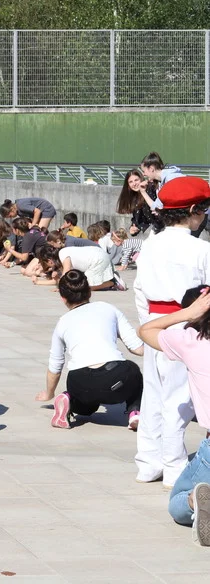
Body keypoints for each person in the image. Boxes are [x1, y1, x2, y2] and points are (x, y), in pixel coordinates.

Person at [133, 176, 210, 488]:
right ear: (193, 210)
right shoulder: (201, 248)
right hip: (188, 323)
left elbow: (139, 290)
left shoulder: (150, 243)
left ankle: (148, 462)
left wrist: (147, 328)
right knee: (178, 400)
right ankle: (174, 467)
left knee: (152, 394)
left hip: (154, 322)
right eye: (203, 209)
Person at [138, 287, 210, 543]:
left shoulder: (193, 341)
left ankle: (193, 502)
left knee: (177, 503)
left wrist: (187, 313)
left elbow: (145, 331)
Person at [35, 271, 144, 429]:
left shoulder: (62, 322)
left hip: (79, 381)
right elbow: (137, 348)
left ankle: (68, 399)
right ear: (89, 291)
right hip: (115, 377)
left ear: (63, 298)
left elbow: (55, 367)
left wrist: (49, 393)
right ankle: (135, 412)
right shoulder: (108, 308)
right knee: (133, 371)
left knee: (87, 406)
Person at [117, 169, 158, 235]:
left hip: (162, 226)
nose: (134, 184)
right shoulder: (134, 196)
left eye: (136, 180)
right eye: (130, 182)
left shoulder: (150, 189)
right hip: (152, 229)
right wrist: (133, 228)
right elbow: (138, 219)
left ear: (141, 179)